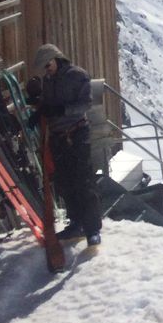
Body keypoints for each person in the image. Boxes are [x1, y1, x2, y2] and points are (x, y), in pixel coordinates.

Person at [27, 43, 103, 247]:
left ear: (56, 59)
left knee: (83, 180)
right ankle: (75, 223)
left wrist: (62, 111)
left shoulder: (77, 76)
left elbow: (86, 104)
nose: (46, 70)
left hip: (77, 133)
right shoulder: (48, 80)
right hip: (58, 136)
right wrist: (40, 112)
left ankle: (92, 229)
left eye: (47, 65)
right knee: (65, 182)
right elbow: (47, 103)